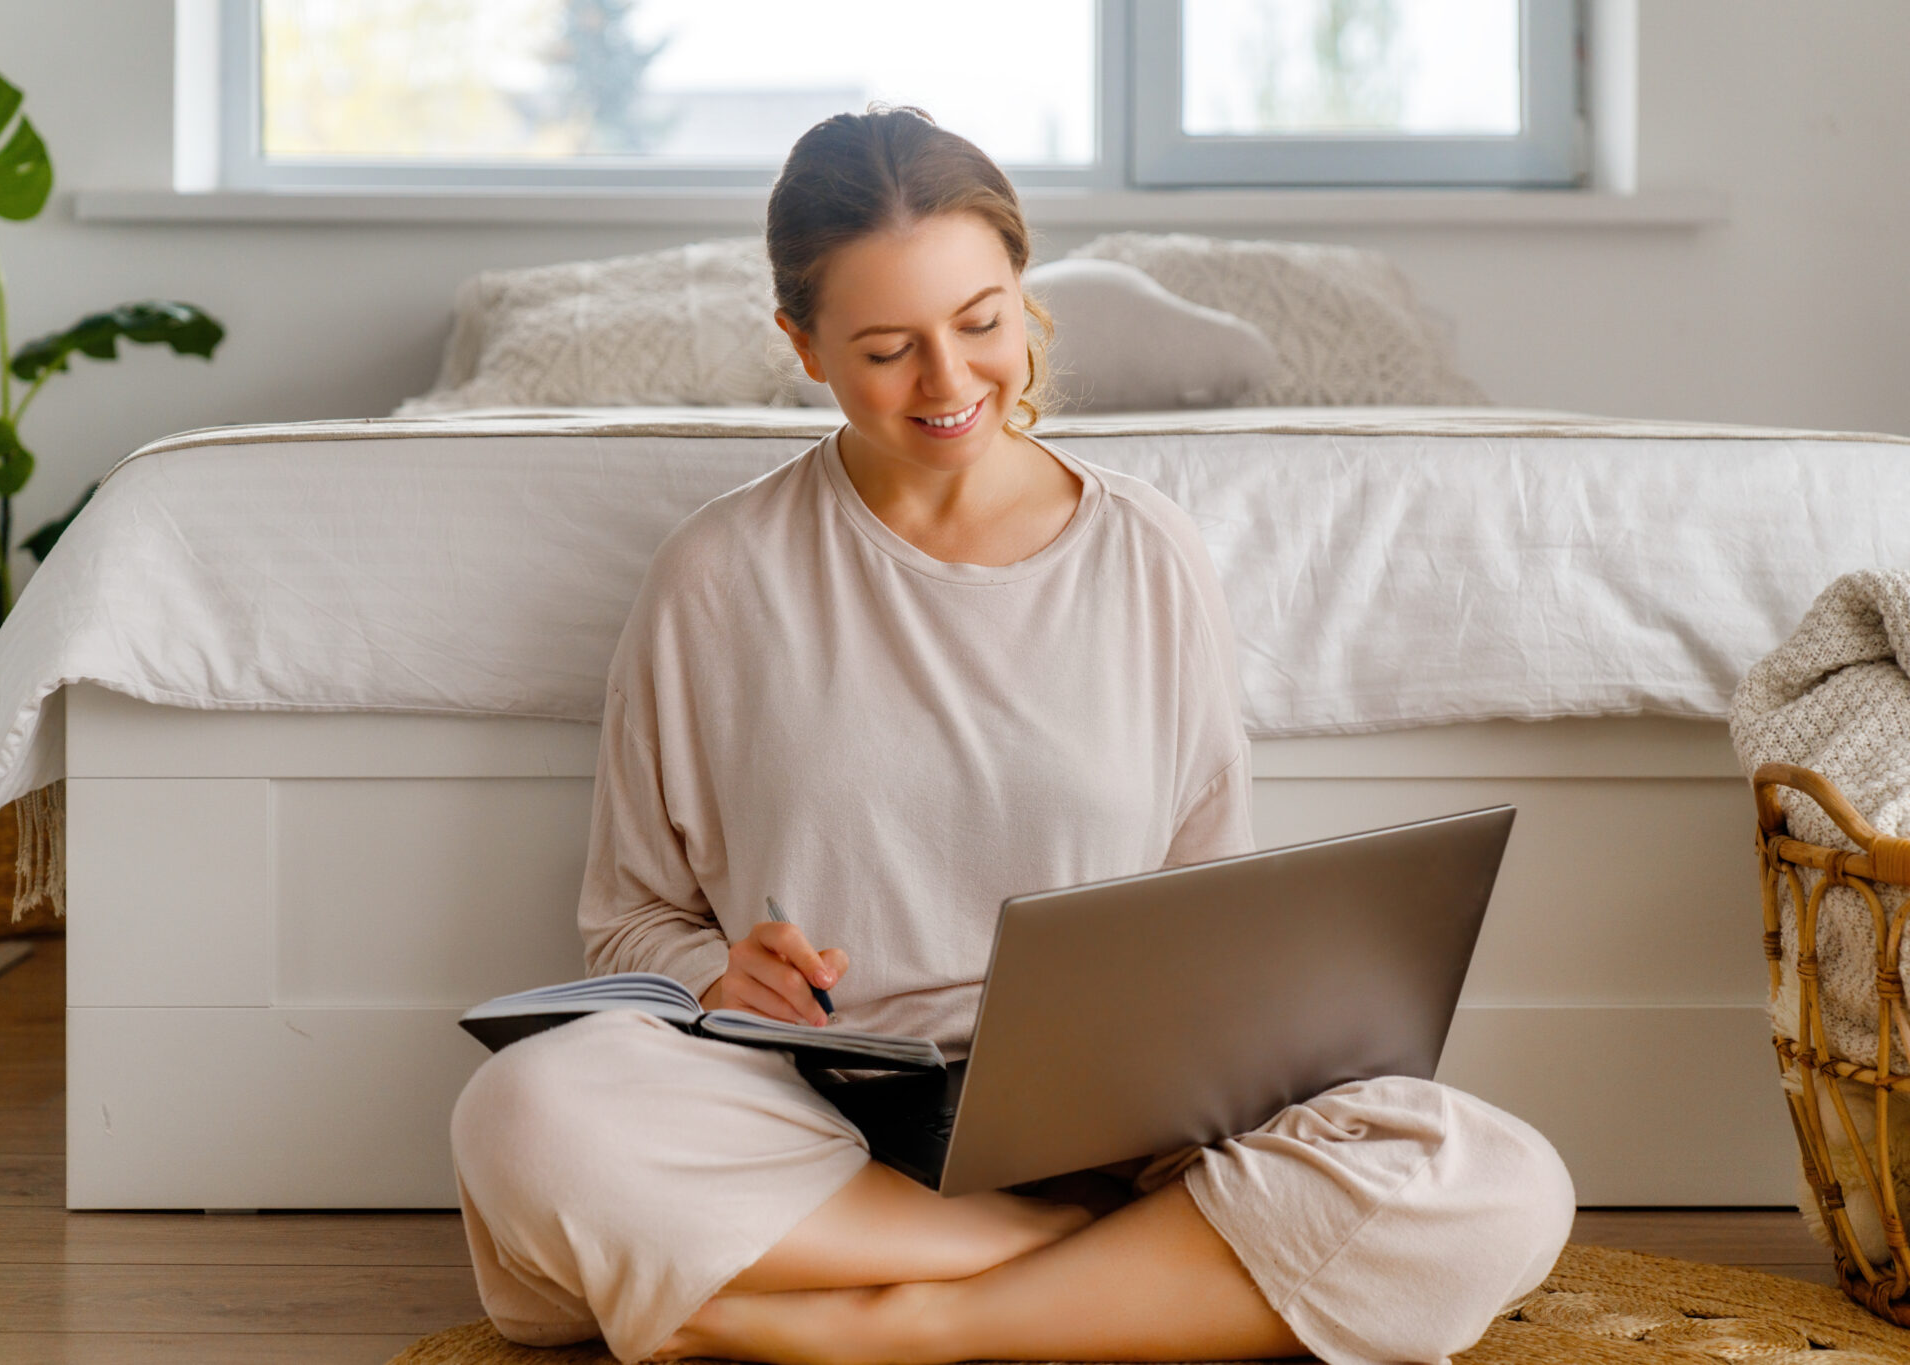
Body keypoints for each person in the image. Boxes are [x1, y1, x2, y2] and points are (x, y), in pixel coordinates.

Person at [449, 104, 1575, 1365]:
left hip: (1113, 1125)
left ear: (1021, 293)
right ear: (802, 345)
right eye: (885, 349)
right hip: (814, 1111)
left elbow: (1212, 896)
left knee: (1496, 1179)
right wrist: (716, 974)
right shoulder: (717, 573)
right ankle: (1091, 1267)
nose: (949, 384)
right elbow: (628, 920)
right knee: (530, 1111)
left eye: (980, 324)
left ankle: (899, 1327)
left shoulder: (1146, 553)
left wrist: (1223, 1060)